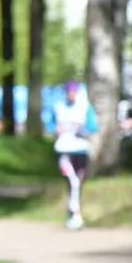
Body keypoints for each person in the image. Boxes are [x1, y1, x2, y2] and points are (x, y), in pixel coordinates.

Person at [51, 81, 99, 230]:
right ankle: (75, 214)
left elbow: (93, 126)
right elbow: (50, 123)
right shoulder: (59, 107)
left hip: (80, 149)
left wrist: (82, 129)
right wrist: (56, 129)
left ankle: (74, 215)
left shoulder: (85, 107)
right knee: (72, 181)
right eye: (69, 92)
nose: (71, 94)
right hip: (64, 149)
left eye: (74, 92)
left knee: (77, 182)